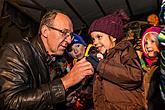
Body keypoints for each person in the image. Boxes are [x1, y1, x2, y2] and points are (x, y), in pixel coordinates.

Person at [0, 9, 94, 110]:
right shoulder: (16, 52)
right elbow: (9, 102)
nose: (69, 40)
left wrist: (66, 99)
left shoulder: (59, 61)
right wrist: (65, 82)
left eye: (70, 35)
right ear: (45, 31)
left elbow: (48, 99)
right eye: (64, 32)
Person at [86, 9, 145, 110]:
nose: (95, 42)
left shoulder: (124, 49)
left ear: (113, 37)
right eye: (93, 39)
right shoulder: (102, 58)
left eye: (99, 37)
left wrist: (101, 66)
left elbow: (135, 76)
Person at [138, 26, 165, 109]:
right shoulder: (144, 63)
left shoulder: (161, 64)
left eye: (152, 41)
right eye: (145, 43)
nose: (148, 46)